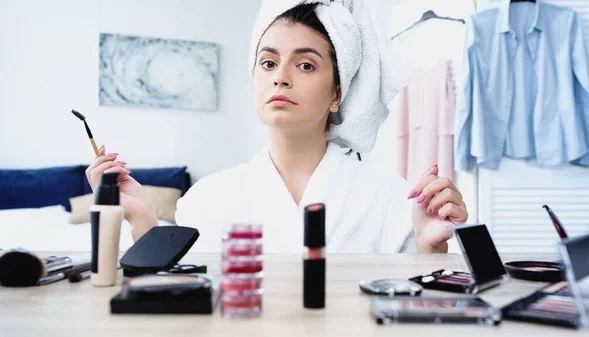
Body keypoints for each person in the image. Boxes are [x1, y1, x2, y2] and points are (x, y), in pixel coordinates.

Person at [85, 1, 467, 254]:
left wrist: (429, 246)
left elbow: (418, 310)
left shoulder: (392, 199)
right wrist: (144, 219)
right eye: (268, 63)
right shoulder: (207, 198)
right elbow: (181, 307)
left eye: (305, 65)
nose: (280, 78)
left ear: (337, 93)